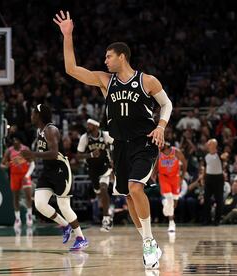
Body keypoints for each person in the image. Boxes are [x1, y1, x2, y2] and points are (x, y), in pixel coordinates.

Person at [54, 11, 173, 269]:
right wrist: (67, 35)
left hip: (144, 142)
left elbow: (167, 104)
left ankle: (150, 241)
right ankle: (147, 241)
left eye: (109, 56)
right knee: (128, 197)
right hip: (120, 145)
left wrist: (161, 127)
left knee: (135, 188)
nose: (105, 60)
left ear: (122, 56)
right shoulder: (106, 82)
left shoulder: (146, 81)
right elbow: (71, 69)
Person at [21, 104, 88, 250]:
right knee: (39, 203)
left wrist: (33, 154)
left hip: (60, 170)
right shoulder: (40, 131)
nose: (31, 116)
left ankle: (81, 237)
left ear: (39, 115)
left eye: (33, 113)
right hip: (48, 170)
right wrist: (27, 157)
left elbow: (53, 153)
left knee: (64, 205)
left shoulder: (51, 130)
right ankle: (65, 225)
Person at [77, 118, 114, 232]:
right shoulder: (84, 138)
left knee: (103, 189)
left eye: (89, 125)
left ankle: (106, 219)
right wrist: (91, 154)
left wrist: (113, 159)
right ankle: (109, 210)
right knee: (99, 194)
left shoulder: (106, 135)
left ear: (96, 126)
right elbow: (78, 156)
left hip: (105, 167)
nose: (87, 126)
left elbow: (117, 145)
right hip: (92, 169)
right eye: (87, 124)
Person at [0, 133, 35, 228]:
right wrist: (5, 166)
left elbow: (32, 164)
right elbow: (1, 164)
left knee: (28, 196)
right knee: (15, 197)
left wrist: (27, 175)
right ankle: (17, 218)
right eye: (13, 140)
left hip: (25, 175)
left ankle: (29, 216)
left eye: (16, 139)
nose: (14, 141)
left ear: (20, 141)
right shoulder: (9, 151)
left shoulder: (25, 149)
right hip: (14, 176)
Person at [151, 141, 187, 232]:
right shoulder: (159, 153)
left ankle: (165, 203)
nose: (158, 147)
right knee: (170, 198)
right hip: (164, 178)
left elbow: (185, 163)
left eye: (160, 146)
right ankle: (171, 223)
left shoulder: (176, 152)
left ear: (165, 145)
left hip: (175, 178)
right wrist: (153, 176)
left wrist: (182, 178)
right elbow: (155, 167)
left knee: (174, 202)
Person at [202, 139, 225, 225]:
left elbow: (224, 156)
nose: (208, 146)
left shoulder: (219, 154)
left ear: (214, 145)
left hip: (218, 178)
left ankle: (217, 220)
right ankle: (207, 220)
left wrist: (225, 156)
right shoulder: (206, 155)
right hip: (208, 178)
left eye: (209, 144)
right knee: (206, 199)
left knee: (218, 200)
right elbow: (205, 167)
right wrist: (203, 178)